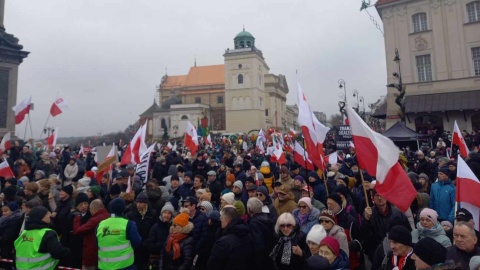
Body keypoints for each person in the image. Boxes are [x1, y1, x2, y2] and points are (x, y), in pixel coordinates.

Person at [96, 197, 142, 270]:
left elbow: (97, 243)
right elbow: (137, 243)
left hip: (104, 266)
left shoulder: (100, 225)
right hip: (125, 266)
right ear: (123, 209)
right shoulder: (129, 225)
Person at [73, 199, 110, 270]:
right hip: (106, 255)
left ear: (94, 209)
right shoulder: (109, 216)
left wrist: (77, 218)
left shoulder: (94, 220)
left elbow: (77, 231)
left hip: (92, 255)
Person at [126, 192, 158, 270]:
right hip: (134, 248)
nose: (138, 204)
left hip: (147, 247)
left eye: (141, 202)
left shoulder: (153, 214)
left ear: (146, 203)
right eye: (137, 202)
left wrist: (147, 243)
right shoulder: (131, 214)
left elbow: (154, 230)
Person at [247, 197, 275, 270]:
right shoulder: (266, 218)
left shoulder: (254, 223)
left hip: (261, 260)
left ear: (249, 209)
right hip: (269, 256)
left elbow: (258, 245)